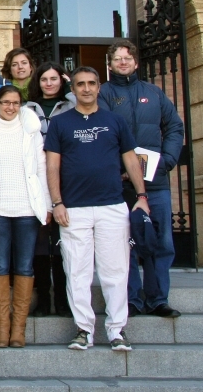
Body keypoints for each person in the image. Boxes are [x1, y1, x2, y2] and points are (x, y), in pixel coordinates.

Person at [45, 66, 150, 352]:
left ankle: (117, 331)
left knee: (115, 272)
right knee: (77, 272)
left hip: (112, 206)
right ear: (74, 89)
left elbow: (131, 159)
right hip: (74, 209)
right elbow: (52, 165)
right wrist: (57, 203)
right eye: (81, 84)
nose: (87, 88)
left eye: (92, 83)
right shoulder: (60, 123)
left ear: (99, 86)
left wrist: (141, 195)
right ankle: (83, 331)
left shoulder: (115, 121)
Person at [98, 39, 184, 318]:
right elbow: (102, 134)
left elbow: (174, 127)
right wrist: (115, 167)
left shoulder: (154, 93)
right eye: (117, 58)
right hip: (121, 184)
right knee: (126, 244)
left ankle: (158, 299)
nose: (123, 62)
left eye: (127, 57)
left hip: (155, 184)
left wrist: (168, 160)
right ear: (110, 64)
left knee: (161, 243)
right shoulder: (104, 94)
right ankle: (132, 300)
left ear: (135, 61)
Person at [0, 86, 52, 348]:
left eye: (15, 103)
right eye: (5, 102)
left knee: (25, 266)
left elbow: (41, 168)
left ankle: (18, 328)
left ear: (21, 105)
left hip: (27, 209)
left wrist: (47, 205)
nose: (10, 107)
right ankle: (2, 327)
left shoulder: (30, 131)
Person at [25, 62, 75, 317]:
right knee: (41, 246)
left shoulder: (72, 105)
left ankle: (64, 301)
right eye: (44, 79)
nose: (49, 83)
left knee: (64, 245)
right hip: (36, 179)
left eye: (54, 78)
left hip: (67, 177)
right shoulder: (28, 109)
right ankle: (43, 299)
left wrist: (71, 88)